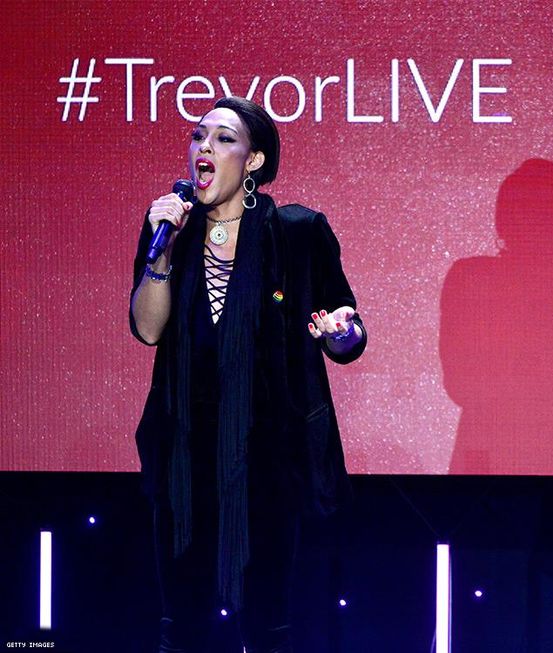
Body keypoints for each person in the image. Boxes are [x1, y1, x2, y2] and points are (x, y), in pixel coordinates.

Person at [129, 96, 366, 653]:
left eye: (223, 138)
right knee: (182, 627)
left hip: (269, 463)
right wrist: (160, 254)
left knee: (268, 627)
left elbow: (349, 334)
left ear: (253, 160)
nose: (204, 147)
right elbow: (147, 329)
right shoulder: (170, 227)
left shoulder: (298, 232)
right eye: (198, 136)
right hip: (184, 460)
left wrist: (339, 330)